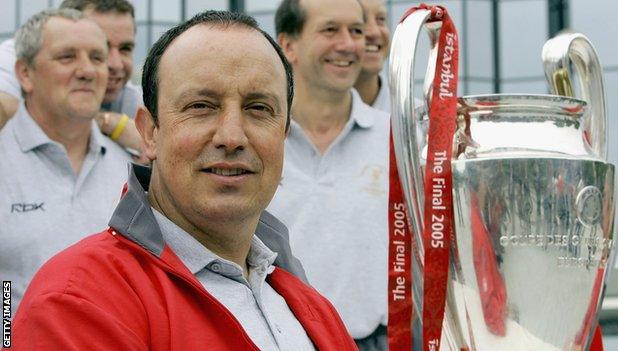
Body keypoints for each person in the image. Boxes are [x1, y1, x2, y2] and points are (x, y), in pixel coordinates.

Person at [11, 10, 356, 350]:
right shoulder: (76, 303)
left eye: (258, 108)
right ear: (149, 133)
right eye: (201, 106)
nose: (232, 136)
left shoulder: (311, 306)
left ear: (283, 135)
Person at [271, 0, 390, 349]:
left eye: (355, 30)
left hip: (375, 342)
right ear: (288, 45)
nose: (349, 43)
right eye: (330, 30)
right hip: (276, 340)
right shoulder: (258, 139)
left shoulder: (399, 137)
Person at [0, 9, 132, 311]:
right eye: (67, 57)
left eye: (96, 58)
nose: (87, 70)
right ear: (25, 73)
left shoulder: (132, 171)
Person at [0, 0, 143, 154]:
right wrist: (112, 124)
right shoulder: (20, 55)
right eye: (101, 48)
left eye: (125, 49)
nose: (116, 64)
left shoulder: (133, 98)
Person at [354, 0, 391, 112]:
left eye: (381, 19)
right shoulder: (301, 119)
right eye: (360, 20)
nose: (374, 32)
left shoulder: (419, 120)